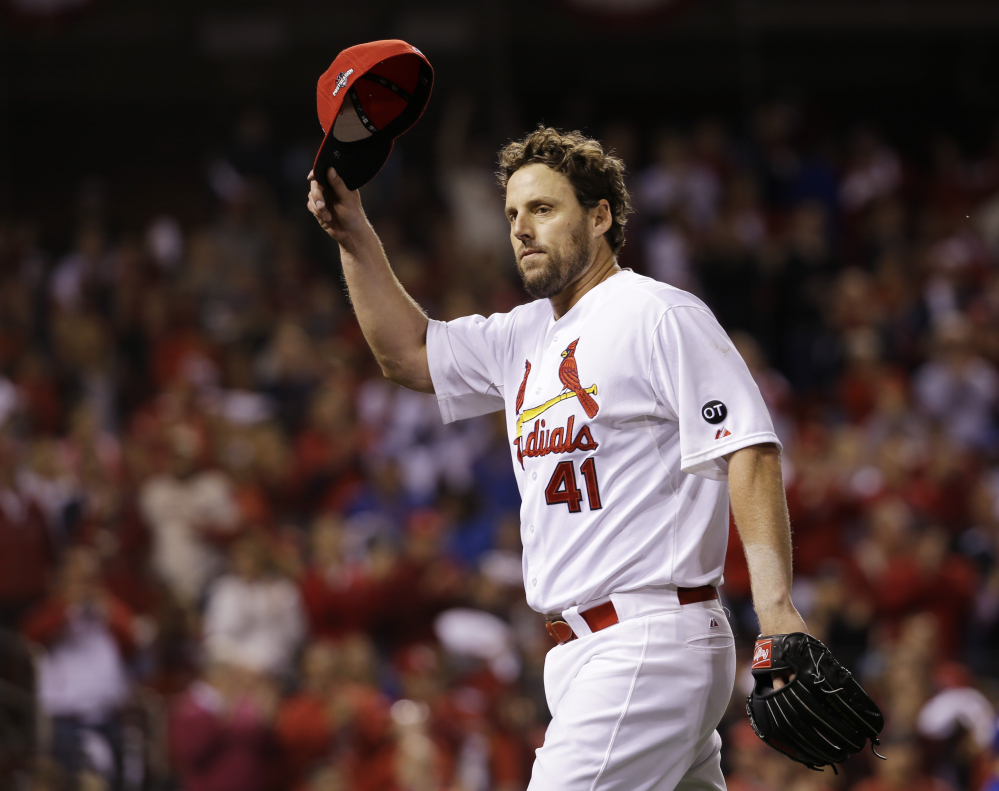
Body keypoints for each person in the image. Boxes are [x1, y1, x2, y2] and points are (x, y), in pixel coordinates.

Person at [307, 126, 807, 791]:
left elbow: (747, 446)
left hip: (647, 636)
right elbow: (406, 354)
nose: (521, 227)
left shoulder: (655, 313)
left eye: (542, 208)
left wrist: (775, 609)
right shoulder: (521, 333)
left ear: (599, 216)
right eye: (512, 213)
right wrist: (353, 234)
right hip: (586, 653)